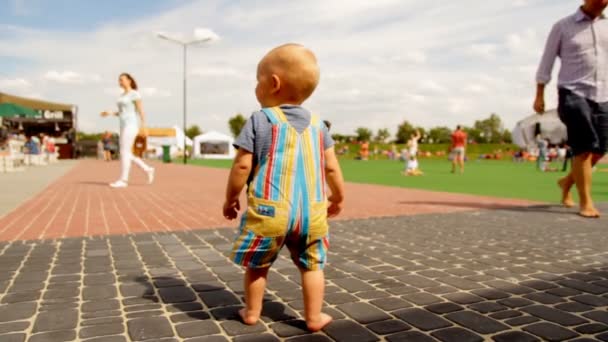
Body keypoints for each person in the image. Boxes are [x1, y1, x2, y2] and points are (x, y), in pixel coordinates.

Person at [222, 44, 345, 332]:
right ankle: (314, 318)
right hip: (313, 213)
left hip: (270, 212)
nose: (256, 86)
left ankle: (252, 312)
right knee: (312, 266)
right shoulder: (319, 126)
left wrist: (230, 198)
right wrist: (338, 197)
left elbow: (242, 166)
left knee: (258, 265)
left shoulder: (259, 120)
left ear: (273, 83)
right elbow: (331, 168)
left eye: (258, 79)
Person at [534, 0, 608, 217]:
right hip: (573, 92)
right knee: (584, 147)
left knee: (600, 149)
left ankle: (566, 182)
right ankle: (586, 202)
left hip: (603, 95)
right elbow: (546, 61)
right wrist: (539, 94)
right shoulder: (563, 26)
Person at [101, 73, 154, 188]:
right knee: (125, 153)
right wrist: (109, 113)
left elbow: (141, 111)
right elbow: (121, 112)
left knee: (124, 152)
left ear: (129, 81)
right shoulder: (121, 96)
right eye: (119, 80)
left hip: (131, 125)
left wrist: (144, 127)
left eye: (122, 80)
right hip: (123, 125)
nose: (120, 82)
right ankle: (148, 169)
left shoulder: (135, 94)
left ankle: (124, 180)